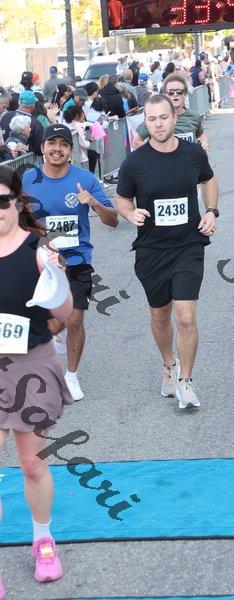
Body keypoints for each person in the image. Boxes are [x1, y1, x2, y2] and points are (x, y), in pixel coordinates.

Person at [114, 94, 218, 409]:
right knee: (160, 315)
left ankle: (186, 381)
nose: (158, 124)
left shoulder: (193, 153)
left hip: (188, 244)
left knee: (185, 316)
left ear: (174, 117)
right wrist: (130, 213)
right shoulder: (134, 162)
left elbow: (209, 180)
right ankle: (169, 364)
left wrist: (211, 211)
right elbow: (122, 199)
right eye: (152, 119)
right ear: (145, 123)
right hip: (151, 250)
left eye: (163, 117)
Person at [0, 165, 73, 597]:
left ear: (17, 202)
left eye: (2, 201)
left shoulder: (38, 248)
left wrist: (55, 276)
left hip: (30, 364)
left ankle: (43, 539)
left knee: (31, 462)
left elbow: (63, 314)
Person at [22, 124, 118, 400]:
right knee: (48, 324)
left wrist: (93, 203)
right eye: (52, 143)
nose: (57, 149)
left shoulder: (85, 179)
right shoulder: (28, 179)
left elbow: (112, 220)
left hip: (77, 260)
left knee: (75, 319)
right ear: (42, 148)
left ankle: (71, 376)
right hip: (40, 262)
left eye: (63, 144)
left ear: (70, 150)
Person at [133, 73, 210, 150]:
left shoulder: (194, 116)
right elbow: (136, 142)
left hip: (189, 157)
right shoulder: (156, 118)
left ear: (185, 94)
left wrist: (204, 143)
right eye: (171, 92)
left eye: (179, 92)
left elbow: (201, 134)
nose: (175, 95)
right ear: (165, 94)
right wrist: (155, 152)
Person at [0, 90, 44, 156]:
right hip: (23, 161)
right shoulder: (35, 123)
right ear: (33, 106)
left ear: (19, 103)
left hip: (5, 158)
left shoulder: (6, 116)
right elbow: (40, 149)